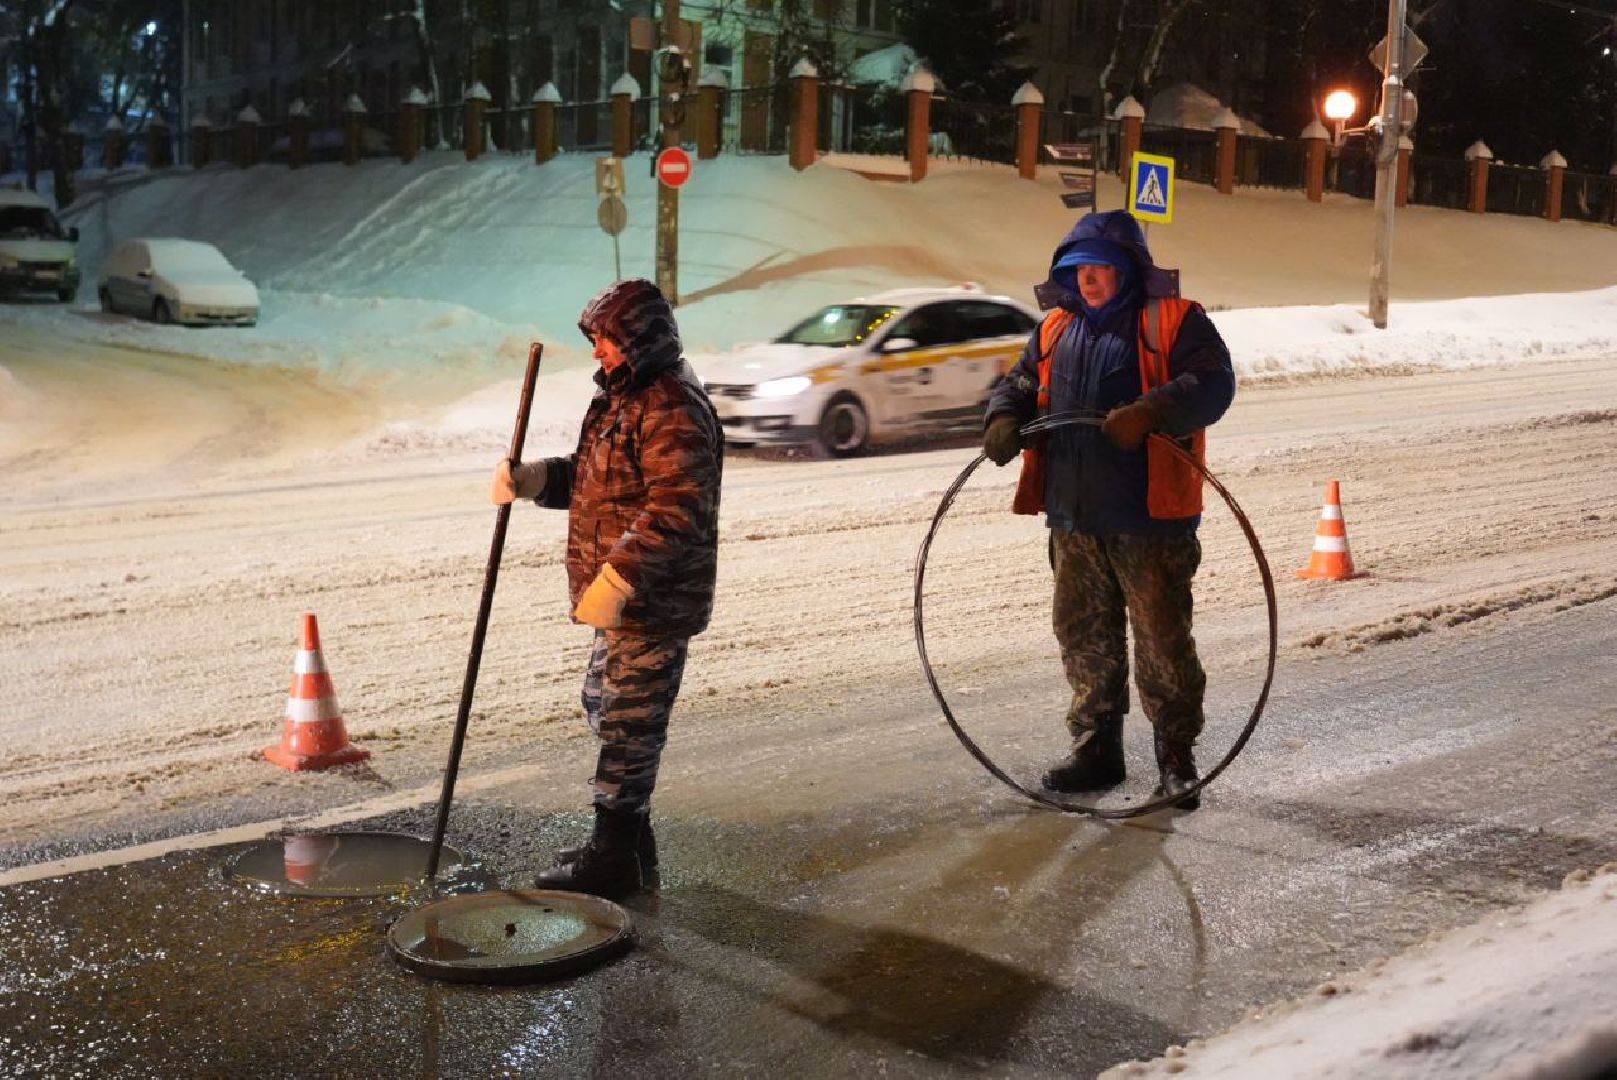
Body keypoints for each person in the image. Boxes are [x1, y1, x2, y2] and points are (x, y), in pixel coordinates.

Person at [982, 210, 1235, 811]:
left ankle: (1176, 760)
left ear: (1125, 270)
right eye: (1078, 269)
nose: (1089, 279)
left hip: (1149, 520)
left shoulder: (1175, 320)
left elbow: (1214, 383)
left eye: (1100, 268)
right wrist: (1002, 415)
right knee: (1084, 638)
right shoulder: (1054, 328)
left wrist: (1150, 410)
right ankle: (1097, 749)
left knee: (1162, 643)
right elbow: (1020, 381)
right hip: (1074, 517)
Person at [492, 277, 723, 897]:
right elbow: (596, 485)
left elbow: (678, 510)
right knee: (605, 707)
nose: (597, 352)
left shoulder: (672, 405)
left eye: (606, 341)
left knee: (628, 727)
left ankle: (614, 858)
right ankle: (629, 846)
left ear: (639, 341)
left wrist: (619, 575)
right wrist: (537, 479)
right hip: (624, 602)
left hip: (653, 602)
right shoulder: (623, 398)